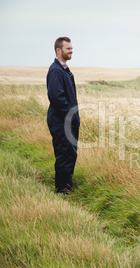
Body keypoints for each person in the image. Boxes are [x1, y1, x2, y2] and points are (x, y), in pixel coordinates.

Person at [46, 37, 80, 194]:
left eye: (72, 48)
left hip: (68, 120)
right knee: (64, 153)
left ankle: (67, 184)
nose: (71, 51)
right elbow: (57, 98)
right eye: (68, 48)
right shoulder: (55, 70)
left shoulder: (64, 69)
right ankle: (61, 189)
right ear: (58, 50)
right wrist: (70, 116)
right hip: (61, 121)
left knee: (70, 153)